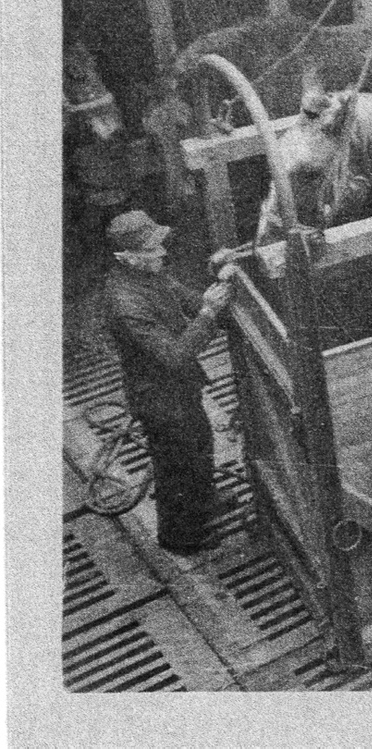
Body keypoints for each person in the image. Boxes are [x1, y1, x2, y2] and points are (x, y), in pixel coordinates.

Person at [103, 209, 234, 554]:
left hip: (179, 392)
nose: (162, 253)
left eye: (160, 245)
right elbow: (175, 357)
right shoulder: (125, 302)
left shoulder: (150, 275)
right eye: (152, 248)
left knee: (200, 441)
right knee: (176, 468)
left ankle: (204, 500)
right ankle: (180, 538)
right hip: (159, 400)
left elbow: (188, 299)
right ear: (125, 257)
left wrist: (221, 282)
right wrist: (208, 313)